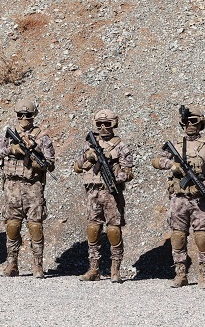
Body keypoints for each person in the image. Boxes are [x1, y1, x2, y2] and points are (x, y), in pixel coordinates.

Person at [150, 105, 205, 289]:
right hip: (179, 198)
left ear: (201, 123)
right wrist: (171, 165)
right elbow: (155, 161)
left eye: (194, 121)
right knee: (178, 236)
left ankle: (204, 274)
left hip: (200, 199)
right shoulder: (175, 145)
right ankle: (180, 273)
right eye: (187, 121)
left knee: (202, 236)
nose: (190, 125)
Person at [0, 99, 56, 278]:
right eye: (21, 115)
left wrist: (36, 162)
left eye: (28, 115)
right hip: (11, 186)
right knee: (12, 225)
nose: (24, 118)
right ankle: (12, 264)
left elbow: (50, 164)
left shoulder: (42, 137)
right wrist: (11, 150)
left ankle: (38, 265)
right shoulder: (8, 135)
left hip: (33, 187)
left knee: (35, 226)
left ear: (34, 116)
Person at [73, 108, 134, 282]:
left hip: (111, 192)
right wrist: (88, 157)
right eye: (99, 124)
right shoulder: (89, 145)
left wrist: (116, 177)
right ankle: (94, 269)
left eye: (107, 124)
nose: (103, 127)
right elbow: (77, 167)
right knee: (93, 229)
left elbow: (129, 173)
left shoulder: (121, 147)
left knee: (113, 229)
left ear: (113, 124)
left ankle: (115, 269)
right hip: (93, 191)